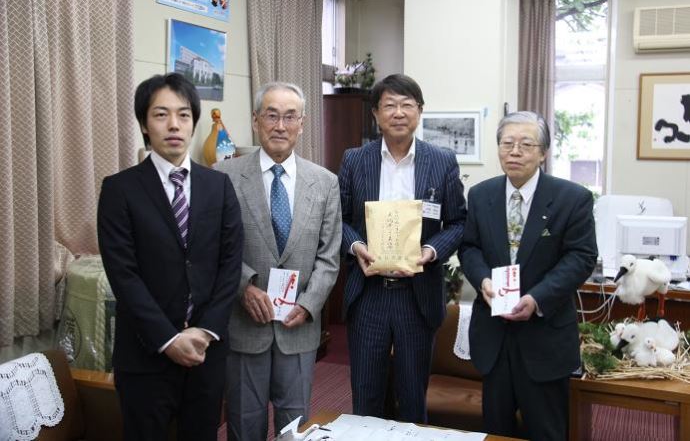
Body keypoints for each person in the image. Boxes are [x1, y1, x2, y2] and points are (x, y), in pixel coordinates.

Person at [97, 73, 244, 441]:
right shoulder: (119, 189)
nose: (174, 124)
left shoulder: (219, 186)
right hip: (146, 354)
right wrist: (168, 339)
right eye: (161, 115)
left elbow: (230, 264)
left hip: (205, 353)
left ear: (194, 122)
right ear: (145, 125)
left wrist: (204, 331)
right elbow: (123, 274)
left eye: (183, 114)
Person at [215, 82, 341, 441]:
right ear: (256, 121)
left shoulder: (325, 182)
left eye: (290, 117)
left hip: (297, 327)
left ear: (302, 123)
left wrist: (309, 303)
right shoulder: (224, 177)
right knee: (244, 422)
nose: (280, 126)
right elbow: (217, 248)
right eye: (271, 115)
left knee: (294, 424)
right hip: (244, 325)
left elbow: (329, 256)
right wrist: (244, 287)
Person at [460, 111, 597, 440]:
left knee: (546, 431)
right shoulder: (481, 195)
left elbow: (582, 257)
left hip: (545, 336)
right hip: (494, 337)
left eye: (526, 144)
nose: (515, 151)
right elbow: (469, 248)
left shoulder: (572, 198)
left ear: (544, 152)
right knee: (496, 432)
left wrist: (537, 298)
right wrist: (483, 282)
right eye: (507, 143)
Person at [338, 73, 466, 423]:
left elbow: (458, 222)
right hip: (370, 294)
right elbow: (338, 219)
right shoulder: (354, 160)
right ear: (376, 114)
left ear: (419, 112)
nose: (398, 112)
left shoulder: (441, 161)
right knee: (366, 396)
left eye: (407, 104)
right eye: (389, 105)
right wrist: (356, 245)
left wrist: (431, 251)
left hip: (417, 294)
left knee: (412, 397)